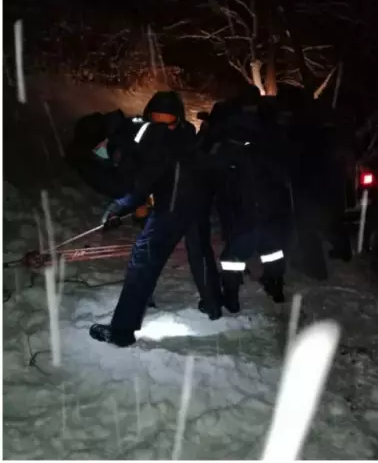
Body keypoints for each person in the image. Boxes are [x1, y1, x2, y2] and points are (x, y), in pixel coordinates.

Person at [89, 91, 214, 346]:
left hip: (173, 210)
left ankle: (122, 332)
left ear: (178, 119)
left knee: (142, 263)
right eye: (156, 120)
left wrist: (118, 207)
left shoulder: (159, 142)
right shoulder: (187, 134)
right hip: (195, 205)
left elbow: (143, 182)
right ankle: (214, 305)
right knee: (200, 255)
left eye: (167, 121)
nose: (161, 127)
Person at [202, 85, 293, 305]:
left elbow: (211, 166)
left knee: (235, 252)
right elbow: (282, 170)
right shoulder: (269, 129)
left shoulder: (228, 132)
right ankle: (275, 285)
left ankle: (231, 295)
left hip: (239, 206)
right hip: (268, 205)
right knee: (271, 249)